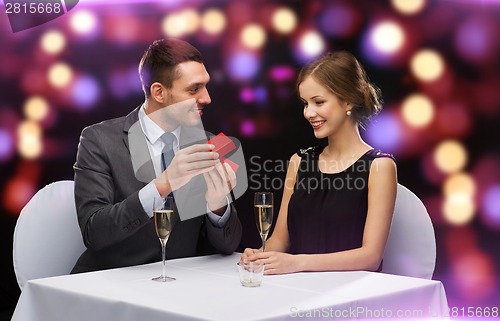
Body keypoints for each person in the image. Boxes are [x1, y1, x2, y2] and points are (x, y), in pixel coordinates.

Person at [72, 38, 242, 273]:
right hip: (110, 284)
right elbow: (94, 232)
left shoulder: (208, 143)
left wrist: (217, 206)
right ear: (159, 92)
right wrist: (162, 185)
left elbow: (229, 245)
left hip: (179, 287)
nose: (207, 98)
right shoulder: (98, 140)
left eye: (205, 86)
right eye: (194, 89)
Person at [242, 51, 397, 274]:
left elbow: (370, 257)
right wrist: (260, 254)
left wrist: (297, 263)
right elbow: (279, 241)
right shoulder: (299, 161)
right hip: (298, 289)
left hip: (350, 296)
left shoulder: (379, 166)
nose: (308, 113)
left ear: (348, 101)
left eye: (318, 102)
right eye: (305, 103)